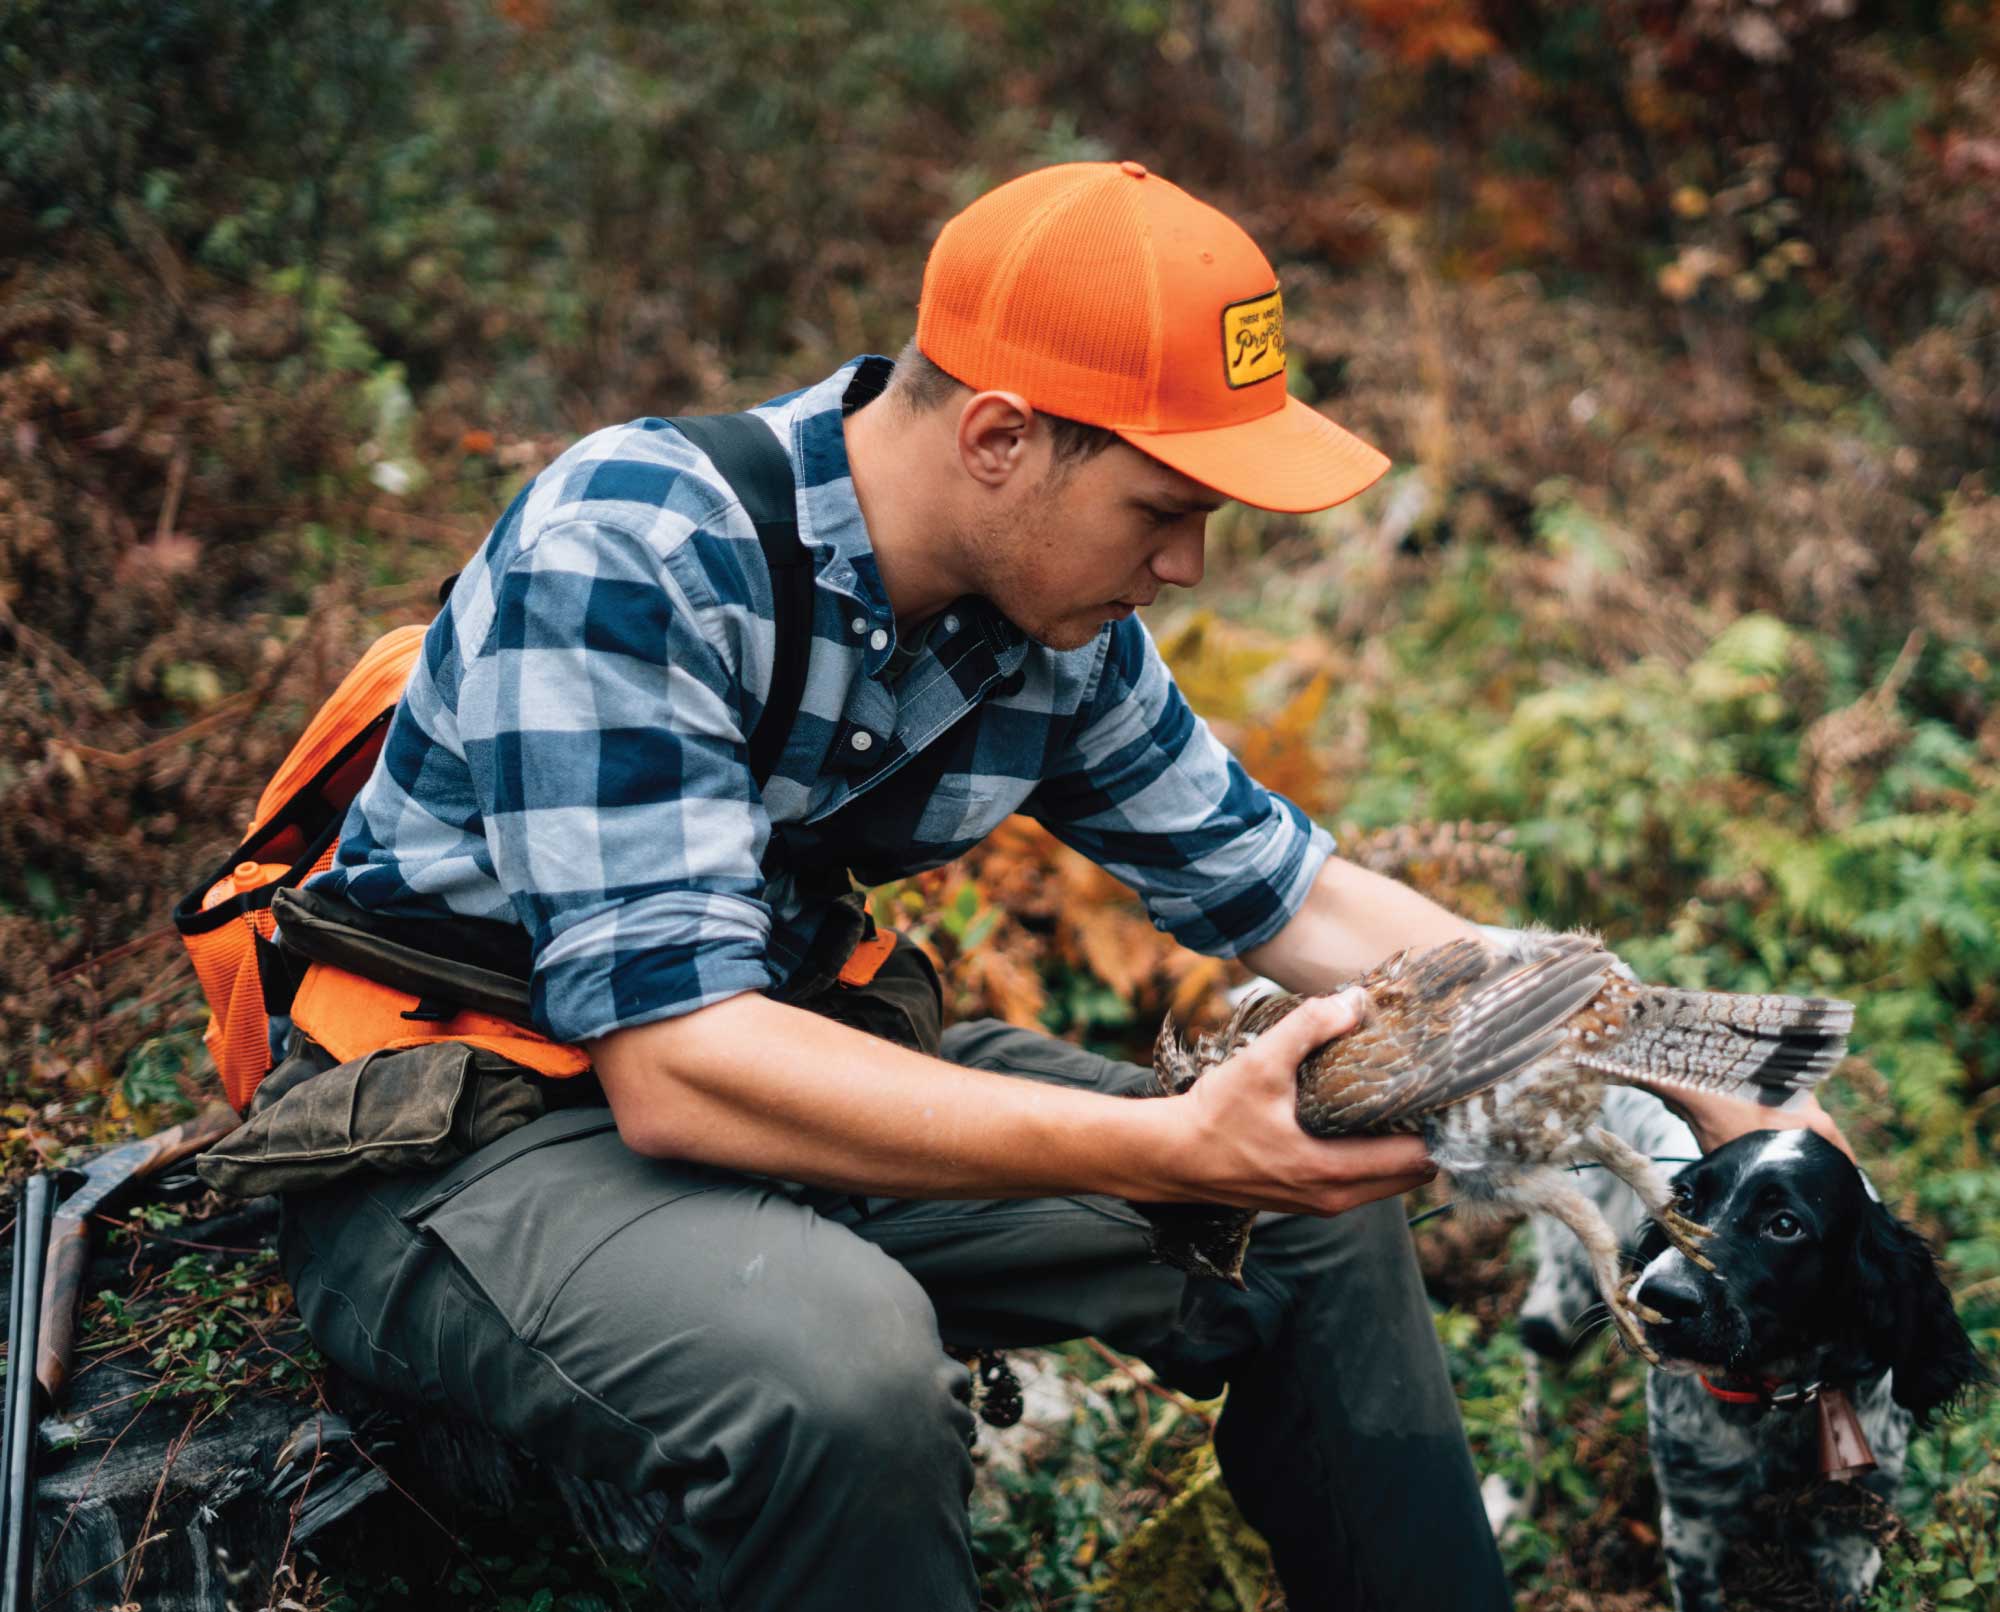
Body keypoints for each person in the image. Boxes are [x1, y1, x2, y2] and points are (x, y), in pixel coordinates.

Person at [276, 161, 1844, 1611]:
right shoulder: (639, 542)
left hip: (793, 1070)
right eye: (1163, 510)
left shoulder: (1051, 627)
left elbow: (1294, 897)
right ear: (1001, 438)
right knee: (839, 1366)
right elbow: (682, 1072)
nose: (1187, 569)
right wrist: (1165, 1144)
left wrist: (1712, 1070)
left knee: (1302, 1225)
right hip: (463, 1142)